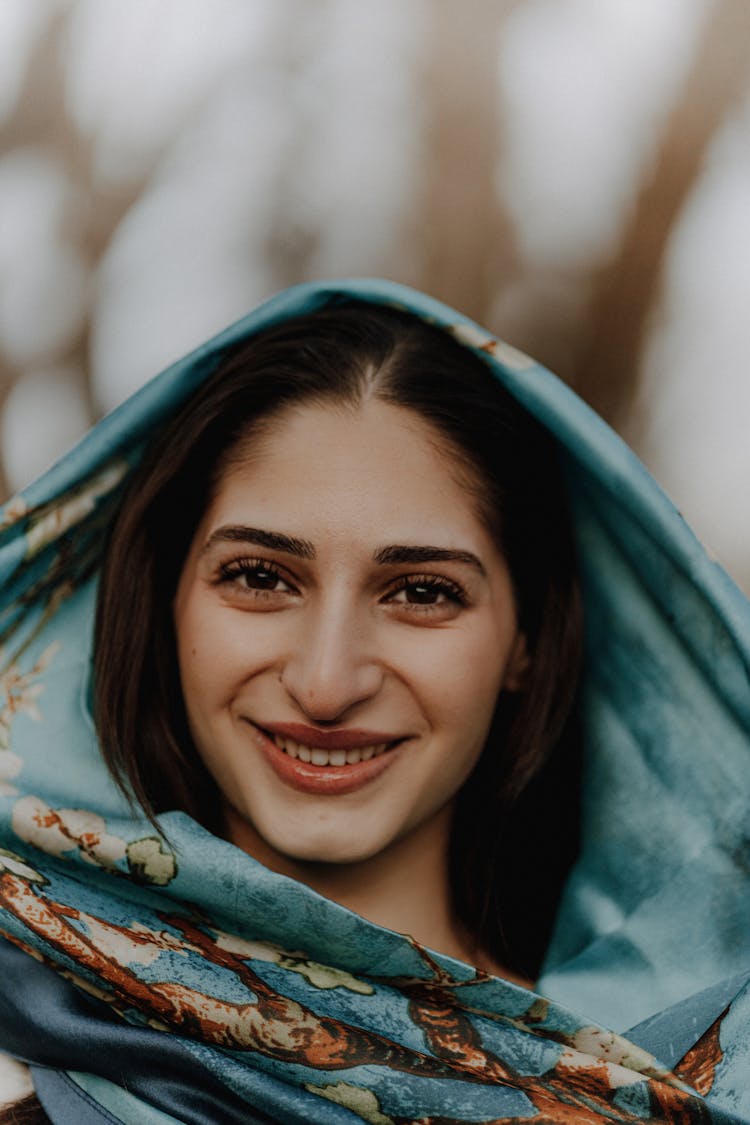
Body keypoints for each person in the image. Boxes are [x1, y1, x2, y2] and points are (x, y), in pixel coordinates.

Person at [0, 280, 748, 1124]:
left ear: (527, 641)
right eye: (259, 577)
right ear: (162, 602)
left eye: (422, 591)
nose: (327, 681)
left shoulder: (684, 1078)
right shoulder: (15, 1053)